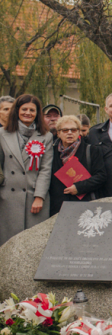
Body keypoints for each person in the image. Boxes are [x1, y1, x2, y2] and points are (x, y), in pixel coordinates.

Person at [0, 95, 53, 246]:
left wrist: (39, 196)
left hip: (34, 198)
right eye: (24, 109)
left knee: (34, 245)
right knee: (8, 244)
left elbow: (45, 169)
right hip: (8, 199)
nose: (28, 113)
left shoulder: (46, 136)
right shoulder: (2, 134)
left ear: (37, 113)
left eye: (32, 110)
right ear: (16, 111)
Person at [49, 115, 107, 215]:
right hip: (58, 207)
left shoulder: (91, 150)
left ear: (79, 132)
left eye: (73, 130)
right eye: (65, 130)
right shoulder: (51, 152)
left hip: (84, 207)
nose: (70, 133)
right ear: (58, 133)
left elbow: (101, 176)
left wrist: (79, 187)